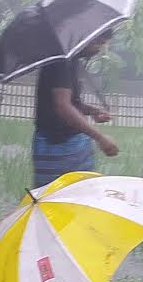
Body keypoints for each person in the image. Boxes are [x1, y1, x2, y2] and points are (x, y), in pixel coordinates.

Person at [32, 31, 119, 188]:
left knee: (77, 195)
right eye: (98, 42)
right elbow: (63, 106)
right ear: (85, 37)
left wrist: (92, 111)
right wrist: (100, 138)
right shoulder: (61, 61)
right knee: (57, 197)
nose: (100, 49)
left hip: (71, 143)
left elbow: (69, 102)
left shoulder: (70, 60)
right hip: (57, 145)